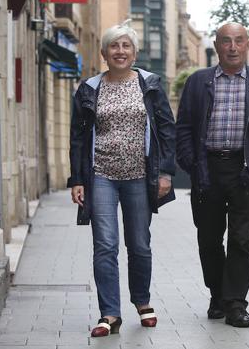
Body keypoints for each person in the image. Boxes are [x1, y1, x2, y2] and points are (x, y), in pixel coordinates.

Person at [68, 20, 177, 337]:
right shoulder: (89, 88)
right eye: (113, 46)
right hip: (100, 175)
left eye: (125, 45)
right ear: (104, 53)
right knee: (105, 245)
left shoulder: (150, 85)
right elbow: (77, 137)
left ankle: (142, 302)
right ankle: (109, 313)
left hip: (140, 177)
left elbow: (166, 130)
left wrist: (166, 172)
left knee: (140, 244)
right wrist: (77, 179)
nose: (120, 51)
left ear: (135, 52)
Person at [175, 22, 249, 328]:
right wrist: (191, 164)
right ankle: (217, 295)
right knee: (209, 239)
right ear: (216, 45)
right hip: (207, 169)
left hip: (245, 169)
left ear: (248, 44)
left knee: (242, 239)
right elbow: (182, 127)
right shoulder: (199, 82)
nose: (233, 47)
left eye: (238, 41)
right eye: (226, 41)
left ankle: (235, 303)